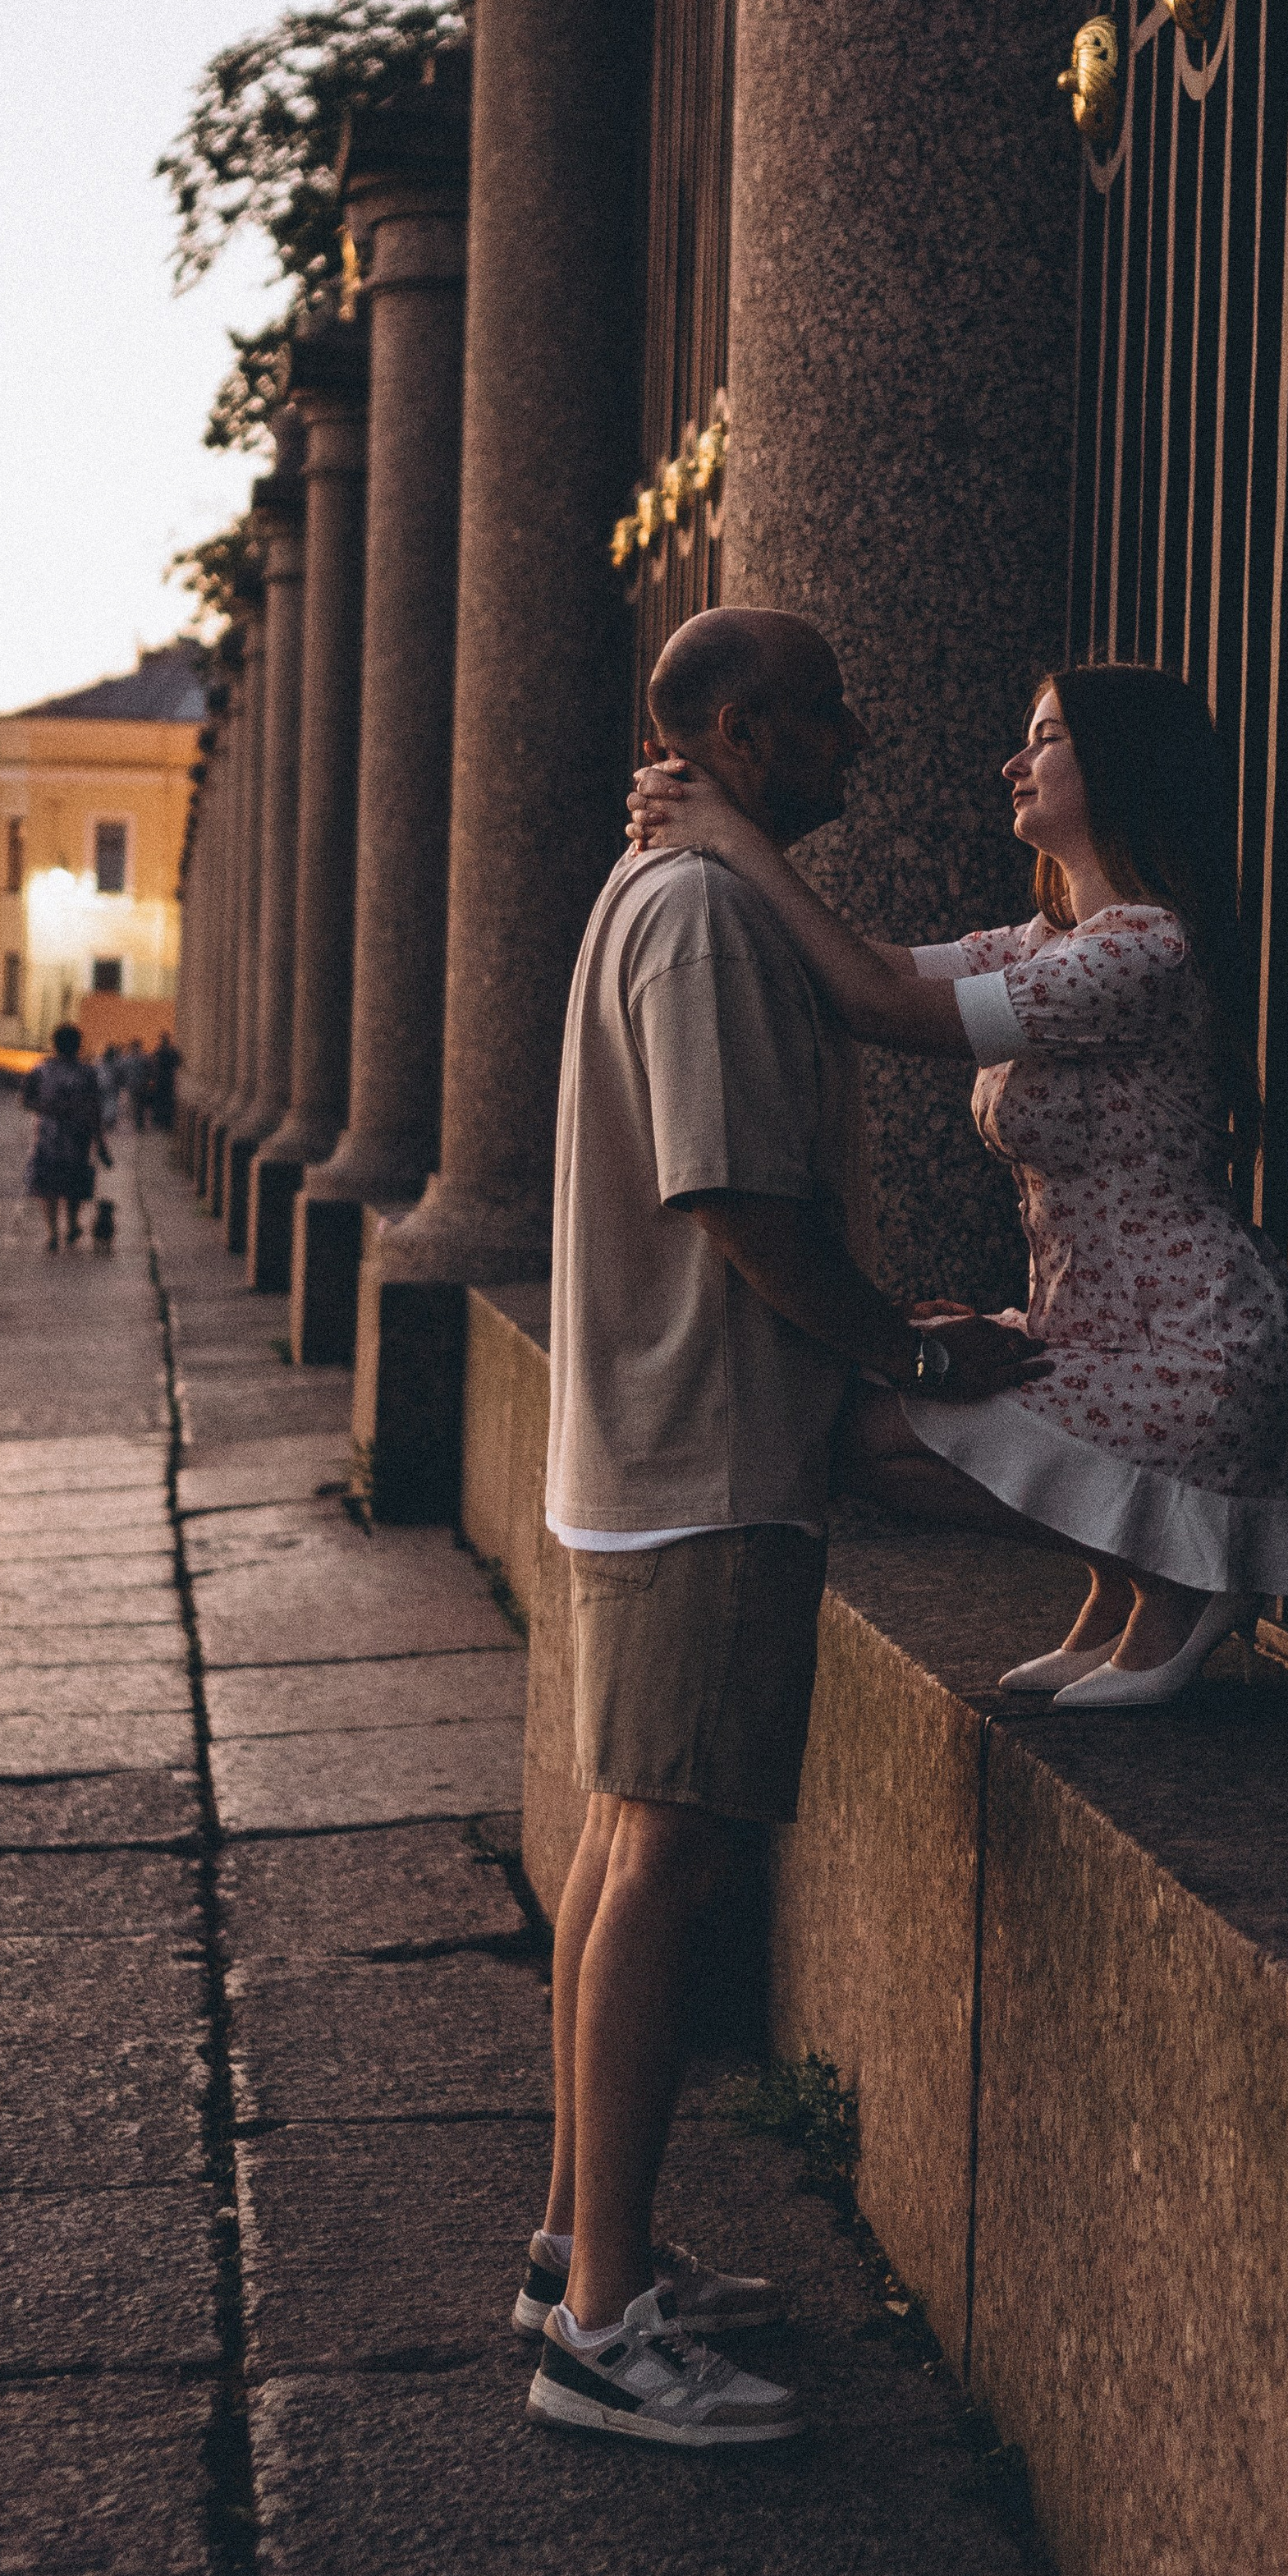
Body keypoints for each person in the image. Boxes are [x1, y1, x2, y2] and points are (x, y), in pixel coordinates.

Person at [523, 607, 1044, 2451]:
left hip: (648, 1445)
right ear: (743, 731)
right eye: (826, 717)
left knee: (620, 1839)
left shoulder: (668, 891)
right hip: (705, 1455)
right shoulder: (708, 916)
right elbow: (738, 1199)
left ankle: (589, 2246)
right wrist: (906, 1342)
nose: (860, 743)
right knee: (665, 1855)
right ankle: (600, 2329)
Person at [632, 660, 1288, 1706]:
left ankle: (1185, 1571)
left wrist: (733, 840)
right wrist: (718, 829)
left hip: (1196, 1350)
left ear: (1124, 766)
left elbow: (880, 1008)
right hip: (1102, 1332)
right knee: (856, 1412)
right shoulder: (1050, 943)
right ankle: (1129, 1575)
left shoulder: (1147, 950)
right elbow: (866, 963)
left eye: (1047, 739)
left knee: (868, 1434)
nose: (1014, 762)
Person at [21, 1023, 110, 1253]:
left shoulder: (41, 1070)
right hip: (78, 1135)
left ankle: (52, 1233)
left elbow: (25, 1100)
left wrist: (48, 1108)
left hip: (48, 1136)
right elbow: (95, 1109)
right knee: (74, 1182)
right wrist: (100, 1142)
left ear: (54, 1044)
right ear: (78, 1045)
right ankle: (71, 1225)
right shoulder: (87, 1073)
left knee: (47, 1184)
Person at [148, 1034, 181, 1132]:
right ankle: (167, 1122)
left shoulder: (158, 1051)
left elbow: (152, 1064)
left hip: (160, 1080)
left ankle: (160, 1121)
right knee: (168, 1101)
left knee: (160, 1101)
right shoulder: (172, 1051)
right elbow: (179, 1062)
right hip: (169, 1080)